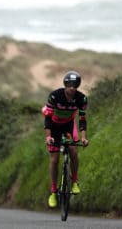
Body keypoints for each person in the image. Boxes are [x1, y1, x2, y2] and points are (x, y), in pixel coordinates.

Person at [42, 70, 89, 208]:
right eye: (69, 85)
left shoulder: (82, 99)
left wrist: (84, 138)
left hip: (68, 126)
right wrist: (48, 136)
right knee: (55, 159)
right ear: (65, 85)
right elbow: (47, 118)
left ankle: (74, 181)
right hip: (54, 127)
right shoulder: (55, 96)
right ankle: (53, 191)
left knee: (74, 151)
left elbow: (82, 119)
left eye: (75, 85)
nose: (72, 88)